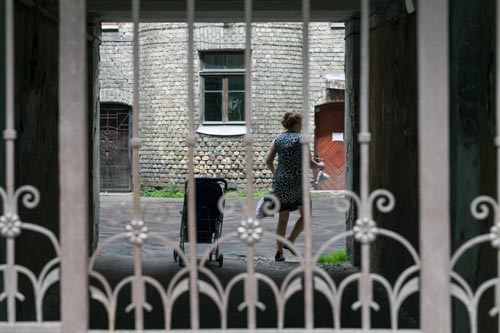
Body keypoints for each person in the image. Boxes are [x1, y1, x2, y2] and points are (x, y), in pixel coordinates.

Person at [265, 110, 324, 262]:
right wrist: (320, 165)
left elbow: (268, 160)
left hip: (281, 182)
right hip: (298, 182)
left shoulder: (278, 138)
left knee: (283, 218)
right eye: (301, 122)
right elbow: (310, 163)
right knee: (306, 215)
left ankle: (279, 253)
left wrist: (276, 174)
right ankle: (290, 241)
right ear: (297, 123)